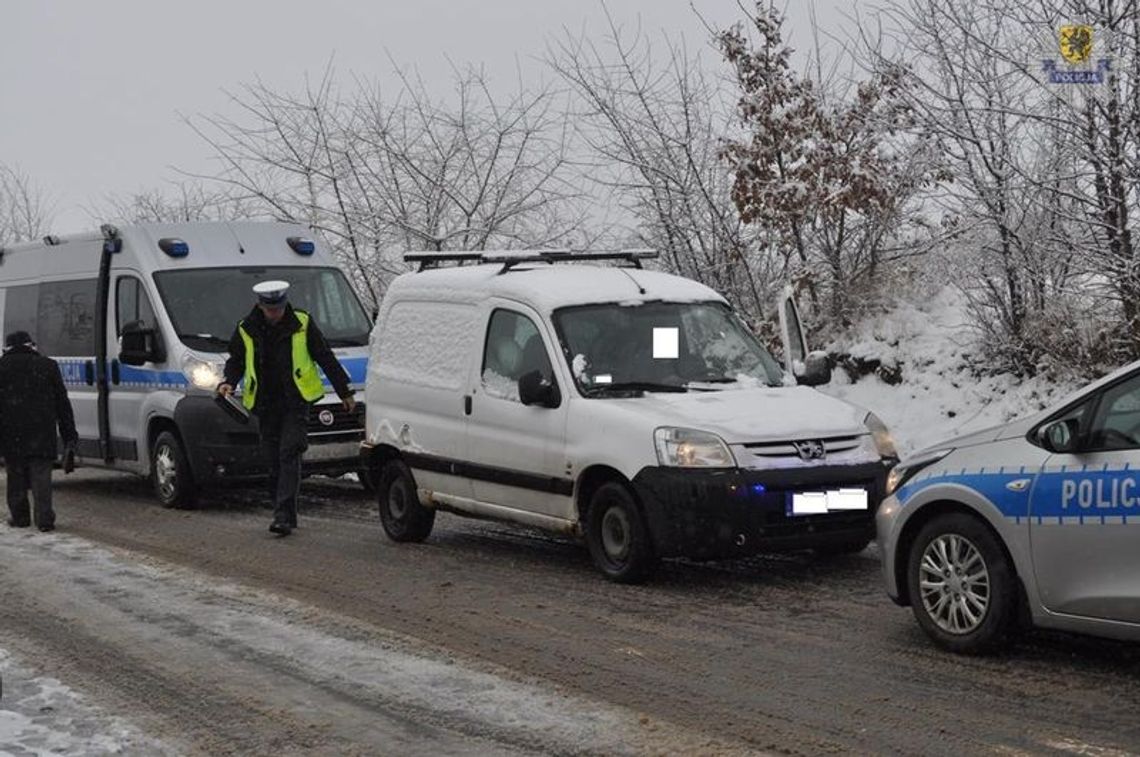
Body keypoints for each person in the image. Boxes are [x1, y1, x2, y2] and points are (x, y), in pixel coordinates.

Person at [216, 281, 354, 536]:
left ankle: (284, 515)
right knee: (273, 460)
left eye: (279, 308)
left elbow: (325, 356)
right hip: (265, 404)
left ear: (284, 303)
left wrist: (344, 391)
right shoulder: (246, 328)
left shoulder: (302, 322)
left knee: (289, 452)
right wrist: (228, 381)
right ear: (260, 306)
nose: (275, 313)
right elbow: (236, 360)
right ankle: (281, 507)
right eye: (270, 309)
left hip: (295, 401)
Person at [0, 330, 78, 532]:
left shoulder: (1, 368)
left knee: (15, 476)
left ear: (7, 348)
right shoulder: (48, 366)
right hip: (42, 432)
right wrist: (70, 435)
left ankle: (20, 517)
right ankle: (44, 519)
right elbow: (63, 404)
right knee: (41, 476)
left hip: (10, 433)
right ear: (31, 345)